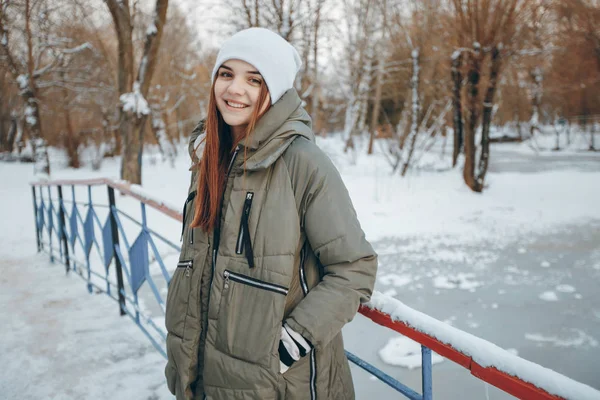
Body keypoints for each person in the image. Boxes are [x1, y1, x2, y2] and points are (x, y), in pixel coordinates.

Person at [164, 27, 378, 400]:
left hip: (277, 385)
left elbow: (355, 268)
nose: (234, 90)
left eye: (254, 79)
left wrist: (291, 343)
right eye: (226, 74)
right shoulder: (209, 157)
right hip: (201, 375)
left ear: (275, 90)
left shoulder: (303, 163)